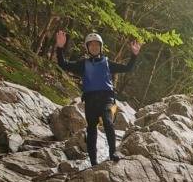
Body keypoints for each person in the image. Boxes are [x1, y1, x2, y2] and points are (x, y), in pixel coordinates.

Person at [55, 30, 141, 166]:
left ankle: (113, 152)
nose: (94, 47)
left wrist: (134, 55)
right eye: (91, 45)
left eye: (97, 45)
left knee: (108, 121)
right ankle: (93, 161)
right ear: (87, 48)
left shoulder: (108, 63)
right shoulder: (83, 64)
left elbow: (128, 68)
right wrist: (60, 48)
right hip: (90, 100)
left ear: (100, 47)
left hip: (107, 99)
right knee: (91, 129)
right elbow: (63, 64)